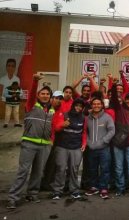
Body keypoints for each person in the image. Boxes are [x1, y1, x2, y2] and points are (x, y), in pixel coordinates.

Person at [6, 74, 53, 209]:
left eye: (47, 94)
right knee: (23, 171)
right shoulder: (31, 105)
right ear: (38, 95)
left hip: (44, 145)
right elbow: (31, 94)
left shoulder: (50, 110)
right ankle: (13, 198)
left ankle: (32, 194)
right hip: (29, 144)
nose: (45, 96)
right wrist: (35, 81)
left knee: (38, 172)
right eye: (42, 93)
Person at [50, 98, 86, 200]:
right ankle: (57, 191)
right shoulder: (65, 115)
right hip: (62, 146)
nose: (78, 108)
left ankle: (74, 191)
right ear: (73, 105)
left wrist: (84, 143)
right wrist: (62, 124)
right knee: (60, 169)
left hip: (76, 147)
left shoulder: (83, 118)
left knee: (74, 169)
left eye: (80, 106)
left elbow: (84, 132)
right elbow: (56, 128)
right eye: (77, 105)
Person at [83, 97, 115, 199]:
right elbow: (85, 132)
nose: (96, 106)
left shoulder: (107, 117)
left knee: (105, 169)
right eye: (94, 104)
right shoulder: (87, 118)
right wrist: (88, 143)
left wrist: (104, 141)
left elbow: (112, 131)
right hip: (92, 148)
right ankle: (93, 187)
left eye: (98, 104)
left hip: (104, 149)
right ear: (91, 106)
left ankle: (104, 188)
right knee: (92, 169)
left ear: (102, 105)